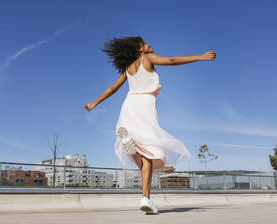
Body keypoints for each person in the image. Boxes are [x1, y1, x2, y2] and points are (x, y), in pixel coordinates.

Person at [84, 36, 216, 214]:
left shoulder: (127, 68)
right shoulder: (147, 58)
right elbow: (171, 60)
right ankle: (145, 197)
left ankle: (146, 190)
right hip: (145, 104)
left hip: (129, 105)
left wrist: (94, 103)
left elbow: (113, 88)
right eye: (145, 44)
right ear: (140, 50)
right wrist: (199, 57)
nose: (150, 45)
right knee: (152, 150)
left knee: (146, 154)